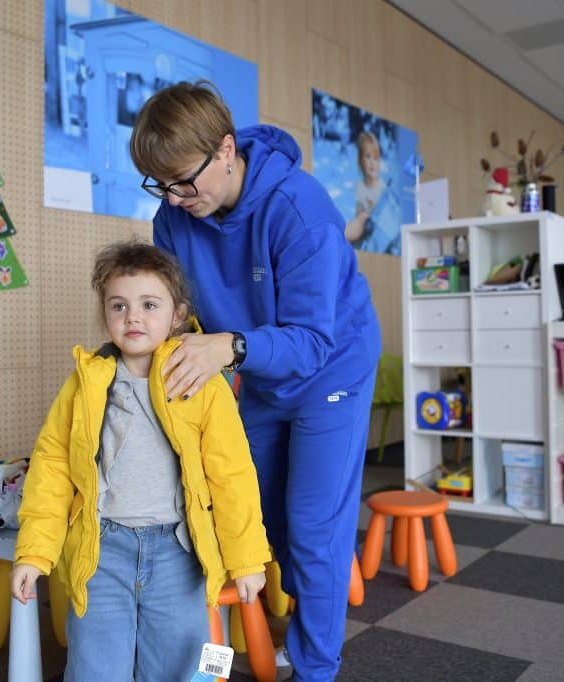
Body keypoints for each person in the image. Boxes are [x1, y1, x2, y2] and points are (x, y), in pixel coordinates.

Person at [130, 80, 381, 682]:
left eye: (182, 180)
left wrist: (230, 346)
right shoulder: (173, 216)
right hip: (258, 371)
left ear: (225, 150)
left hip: (332, 370)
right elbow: (180, 311)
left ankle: (318, 664)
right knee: (259, 514)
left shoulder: (301, 210)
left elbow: (315, 339)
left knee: (315, 524)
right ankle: (313, 586)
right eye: (158, 184)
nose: (172, 197)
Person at [9, 239, 270, 682]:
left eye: (149, 304)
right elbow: (52, 467)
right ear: (105, 314)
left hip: (176, 554)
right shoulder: (85, 382)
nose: (133, 317)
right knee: (95, 668)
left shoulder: (203, 385)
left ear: (177, 314)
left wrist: (246, 560)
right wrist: (34, 551)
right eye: (118, 306)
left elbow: (232, 475)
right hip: (102, 550)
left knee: (178, 669)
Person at [344, 130, 383, 244]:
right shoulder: (360, 186)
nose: (372, 162)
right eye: (368, 157)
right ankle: (341, 235)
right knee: (360, 217)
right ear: (360, 161)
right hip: (364, 228)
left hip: (379, 227)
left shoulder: (382, 187)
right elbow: (359, 210)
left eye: (375, 158)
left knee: (363, 217)